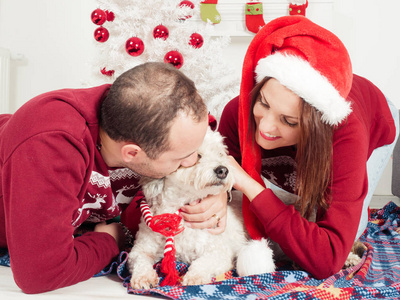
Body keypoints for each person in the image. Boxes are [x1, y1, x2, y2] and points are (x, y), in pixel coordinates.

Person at [0, 62, 228, 294]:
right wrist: (110, 240)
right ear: (131, 154)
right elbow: (40, 273)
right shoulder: (50, 145)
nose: (191, 162)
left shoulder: (138, 121)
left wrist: (221, 194)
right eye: (184, 157)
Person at [218, 16, 399, 279]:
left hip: (373, 122)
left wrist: (250, 185)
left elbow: (327, 259)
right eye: (265, 104)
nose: (265, 128)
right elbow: (219, 184)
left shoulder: (346, 135)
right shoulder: (239, 111)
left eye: (289, 121)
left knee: (342, 237)